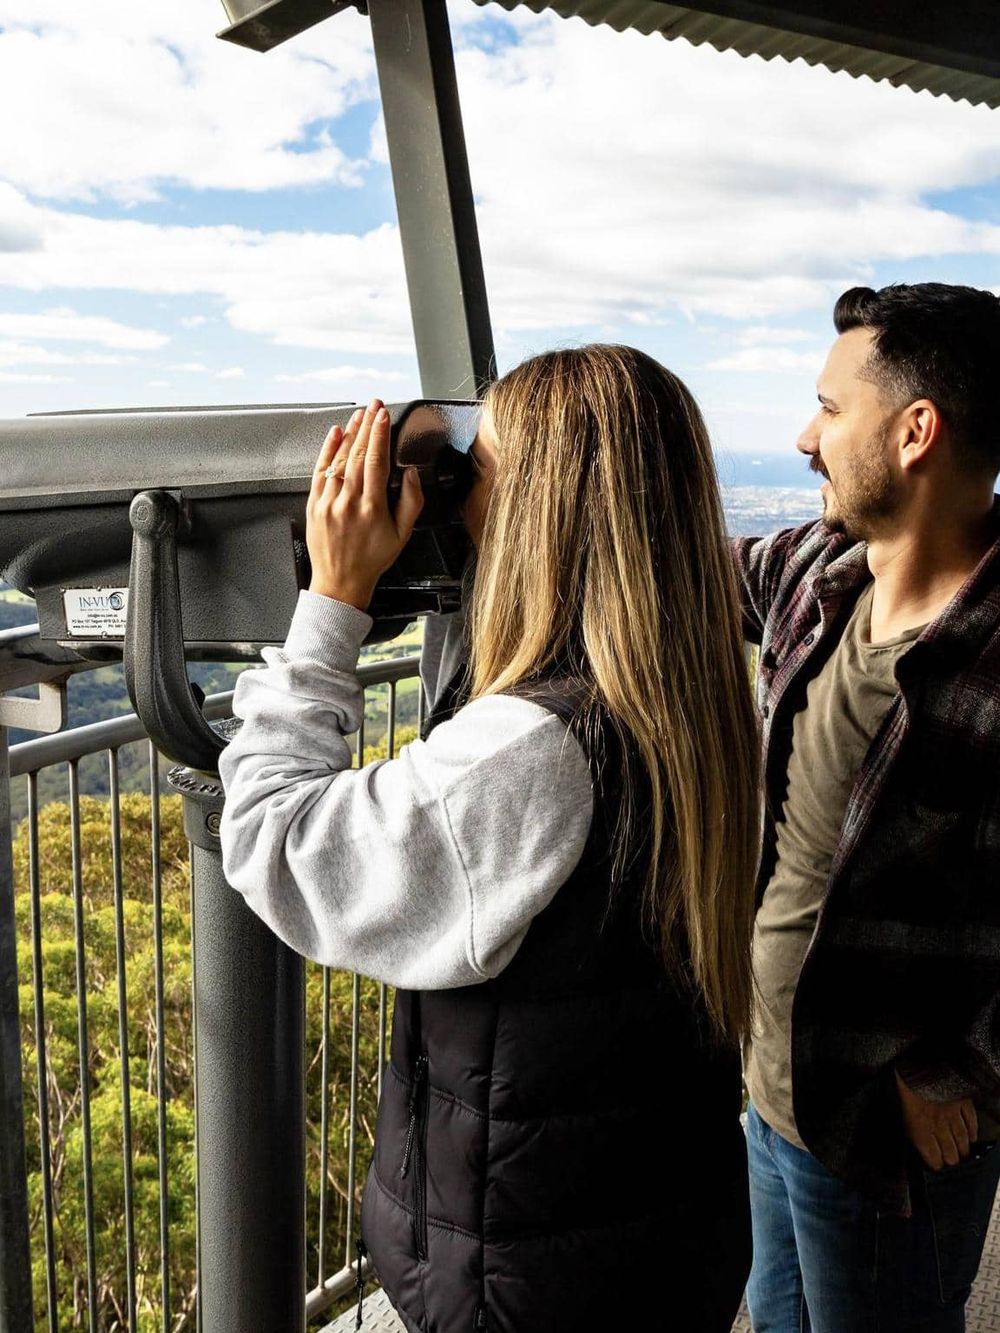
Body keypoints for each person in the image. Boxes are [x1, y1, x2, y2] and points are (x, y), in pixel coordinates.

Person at [219, 345, 760, 1332]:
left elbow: (278, 838)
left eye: (480, 470)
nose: (460, 497)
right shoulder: (687, 701)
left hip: (535, 1274)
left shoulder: (536, 749)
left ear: (538, 508)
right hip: (655, 1230)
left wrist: (331, 603)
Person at [737, 282, 1000, 1333]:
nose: (806, 438)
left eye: (829, 409)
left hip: (888, 1135)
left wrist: (961, 1068)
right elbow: (671, 572)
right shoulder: (820, 568)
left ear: (913, 431)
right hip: (771, 1093)